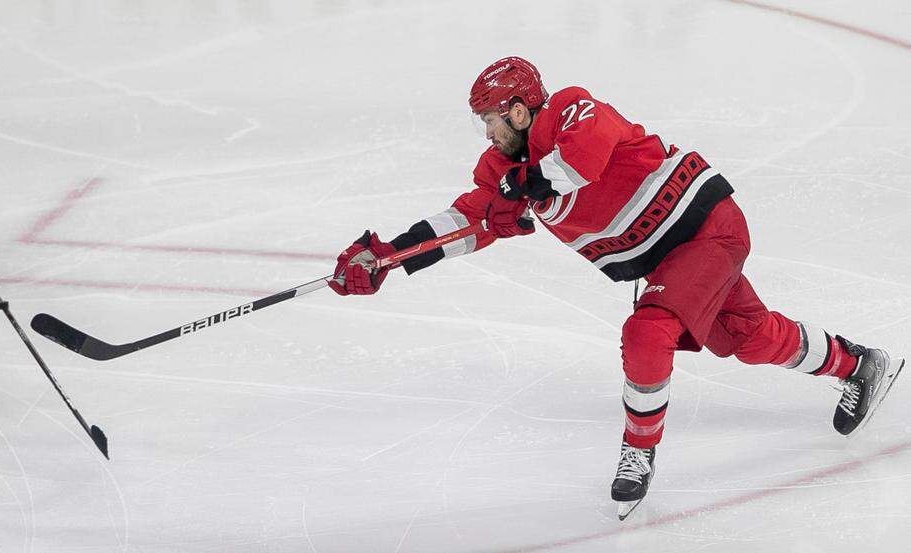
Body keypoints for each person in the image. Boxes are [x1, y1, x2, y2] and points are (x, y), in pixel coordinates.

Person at [327, 56, 904, 520]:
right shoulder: (501, 171)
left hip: (706, 227)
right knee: (746, 338)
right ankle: (857, 365)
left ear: (521, 110)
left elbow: (588, 157)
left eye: (491, 118)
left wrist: (531, 182)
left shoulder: (570, 110)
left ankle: (639, 451)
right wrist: (388, 256)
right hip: (670, 259)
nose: (486, 131)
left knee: (647, 333)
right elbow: (471, 220)